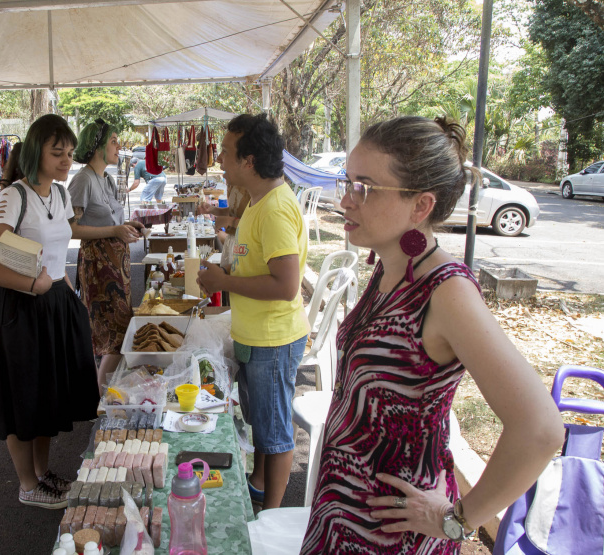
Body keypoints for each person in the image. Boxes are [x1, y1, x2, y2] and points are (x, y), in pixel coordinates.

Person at [299, 116, 563, 553]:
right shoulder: (391, 268)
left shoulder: (446, 291)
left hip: (391, 535)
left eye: (363, 187)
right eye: (347, 182)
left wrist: (457, 520)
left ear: (420, 206)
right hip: (342, 512)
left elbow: (540, 429)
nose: (345, 200)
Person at [0, 114, 99, 509]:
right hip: (22, 310)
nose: (66, 160)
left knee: (48, 396)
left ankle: (43, 474)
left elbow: (63, 237)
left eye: (69, 152)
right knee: (23, 398)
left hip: (56, 304)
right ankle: (27, 484)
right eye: (56, 152)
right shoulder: (13, 196)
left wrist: (113, 231)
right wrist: (34, 285)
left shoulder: (59, 195)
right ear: (35, 152)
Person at [196, 113, 309, 510]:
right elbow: (252, 260)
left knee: (275, 434)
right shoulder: (260, 203)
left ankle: (272, 516)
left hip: (272, 340)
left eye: (225, 152)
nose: (219, 159)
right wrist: (226, 272)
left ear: (248, 161)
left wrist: (225, 283)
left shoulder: (276, 208)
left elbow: (285, 284)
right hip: (253, 336)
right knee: (261, 425)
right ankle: (259, 484)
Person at [68, 119, 144, 387]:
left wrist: (127, 227)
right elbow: (70, 229)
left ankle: (102, 392)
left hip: (116, 265)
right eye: (113, 141)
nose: (118, 146)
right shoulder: (83, 180)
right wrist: (114, 230)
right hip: (98, 266)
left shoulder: (106, 179)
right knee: (111, 332)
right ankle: (99, 394)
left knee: (119, 329)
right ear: (97, 145)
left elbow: (111, 221)